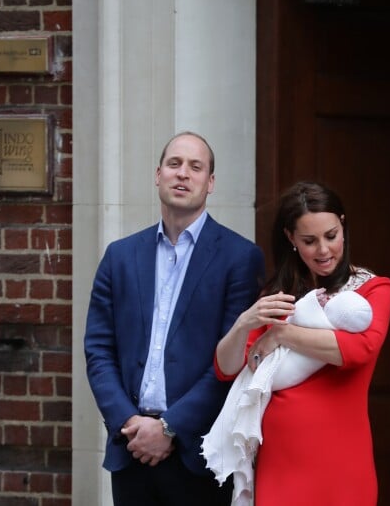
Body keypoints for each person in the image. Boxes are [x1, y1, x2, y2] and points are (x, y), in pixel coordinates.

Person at [84, 131, 265, 506]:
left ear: (210, 182)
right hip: (131, 448)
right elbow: (99, 350)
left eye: (195, 167)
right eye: (174, 164)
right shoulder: (119, 256)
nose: (183, 174)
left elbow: (233, 361)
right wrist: (129, 423)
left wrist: (170, 427)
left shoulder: (240, 258)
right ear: (158, 174)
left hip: (197, 455)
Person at [214, 181, 390, 506]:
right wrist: (245, 322)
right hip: (280, 466)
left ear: (343, 226)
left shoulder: (373, 290)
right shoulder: (278, 296)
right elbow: (227, 369)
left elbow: (358, 350)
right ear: (291, 239)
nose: (324, 250)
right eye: (309, 241)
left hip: (341, 464)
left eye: (331, 236)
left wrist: (282, 335)